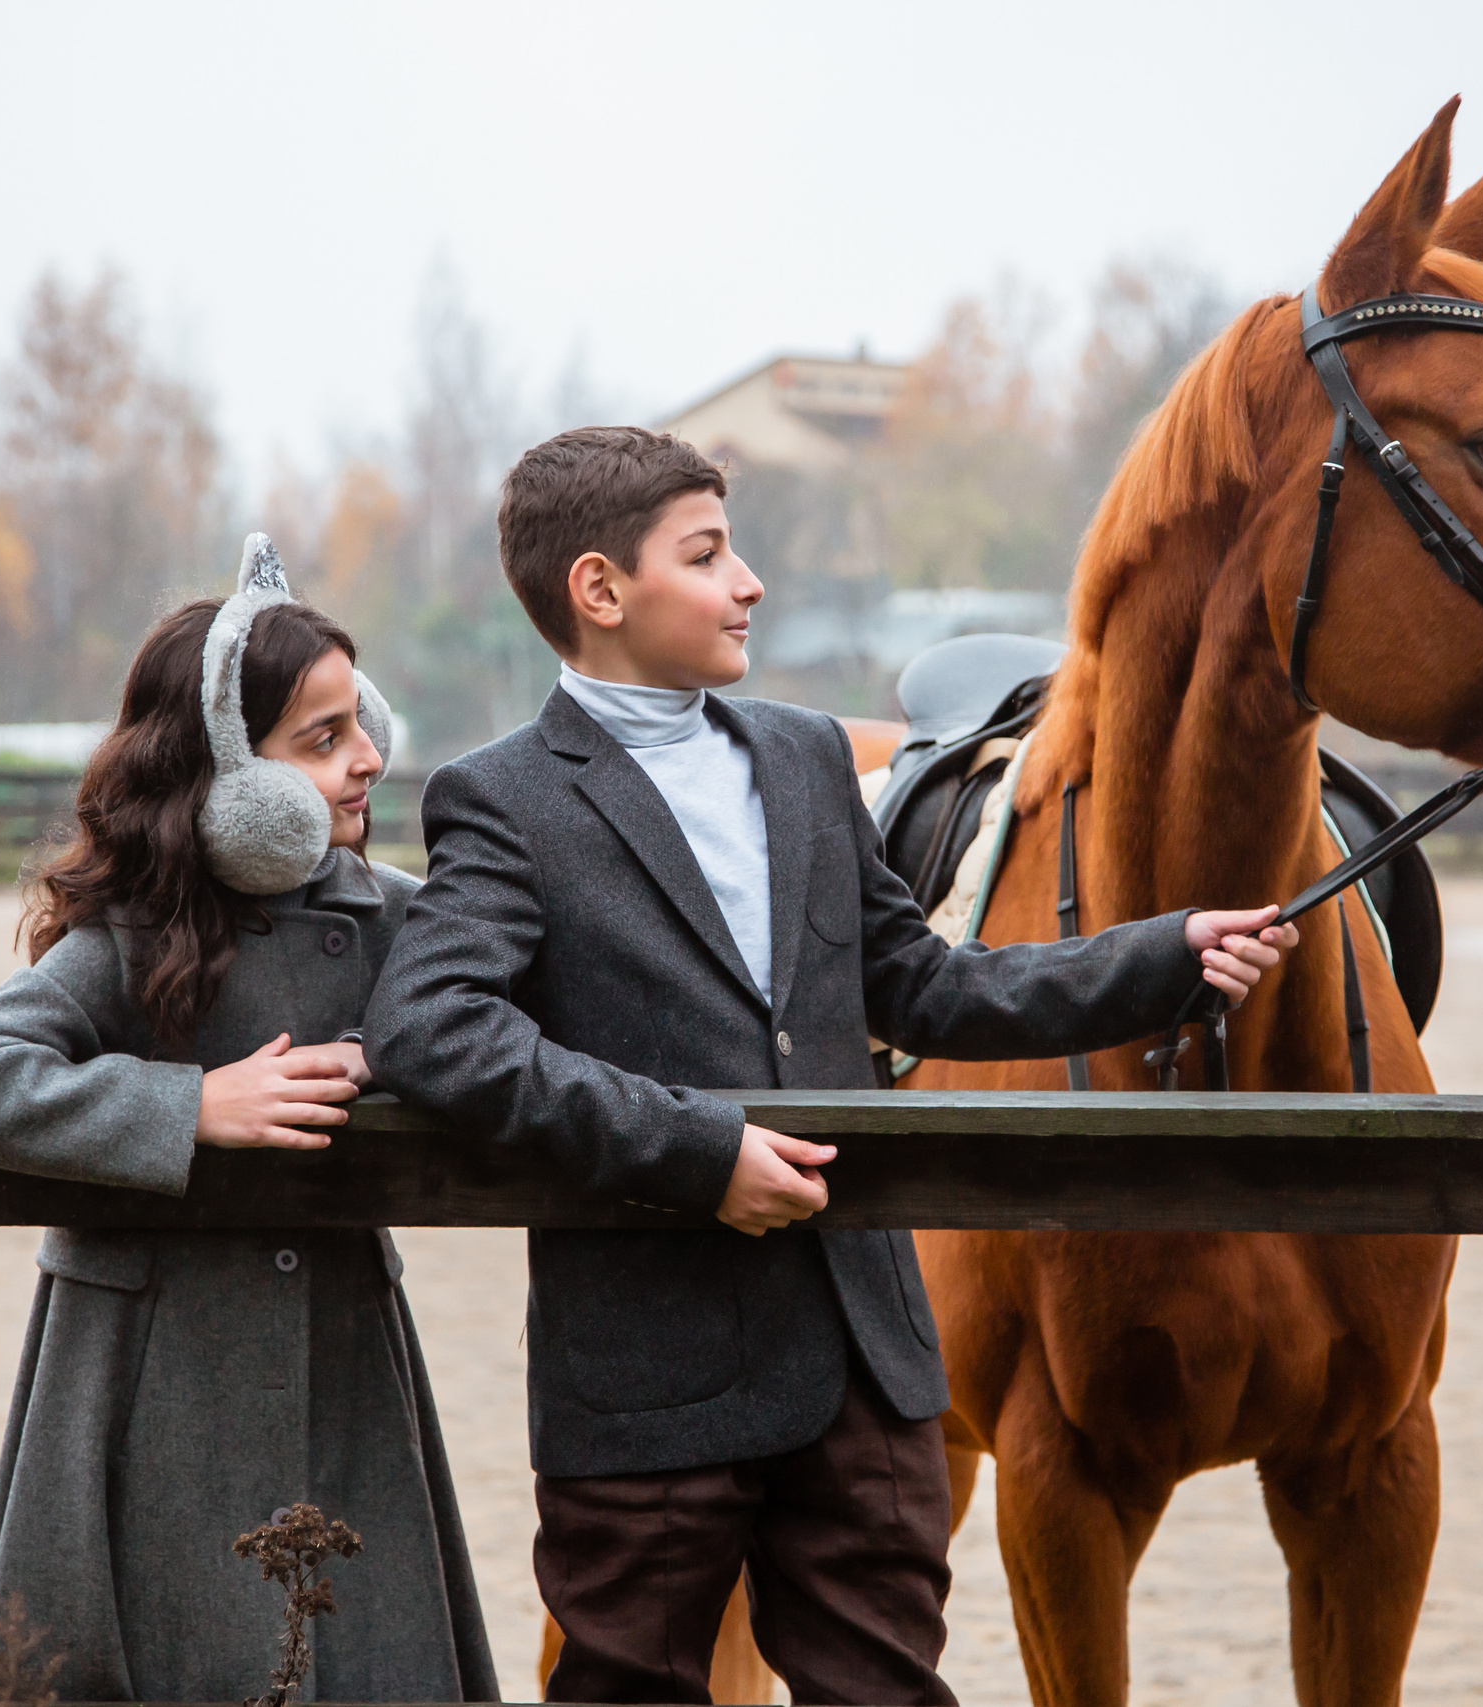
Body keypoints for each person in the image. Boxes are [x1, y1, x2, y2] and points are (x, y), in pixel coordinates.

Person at [362, 427, 1297, 1705]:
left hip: (864, 1360)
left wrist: (1161, 956)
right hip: (648, 1379)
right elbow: (432, 1030)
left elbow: (924, 985)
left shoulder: (804, 756)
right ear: (599, 589)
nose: (747, 581)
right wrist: (699, 1155)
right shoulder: (502, 798)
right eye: (706, 555)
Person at [0, 539, 498, 1703]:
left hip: (340, 1347)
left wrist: (420, 1055)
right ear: (226, 770)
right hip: (145, 1368)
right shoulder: (130, 935)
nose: (369, 759)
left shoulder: (396, 919)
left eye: (361, 724)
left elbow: (523, 1027)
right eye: (322, 740)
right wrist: (191, 1107)